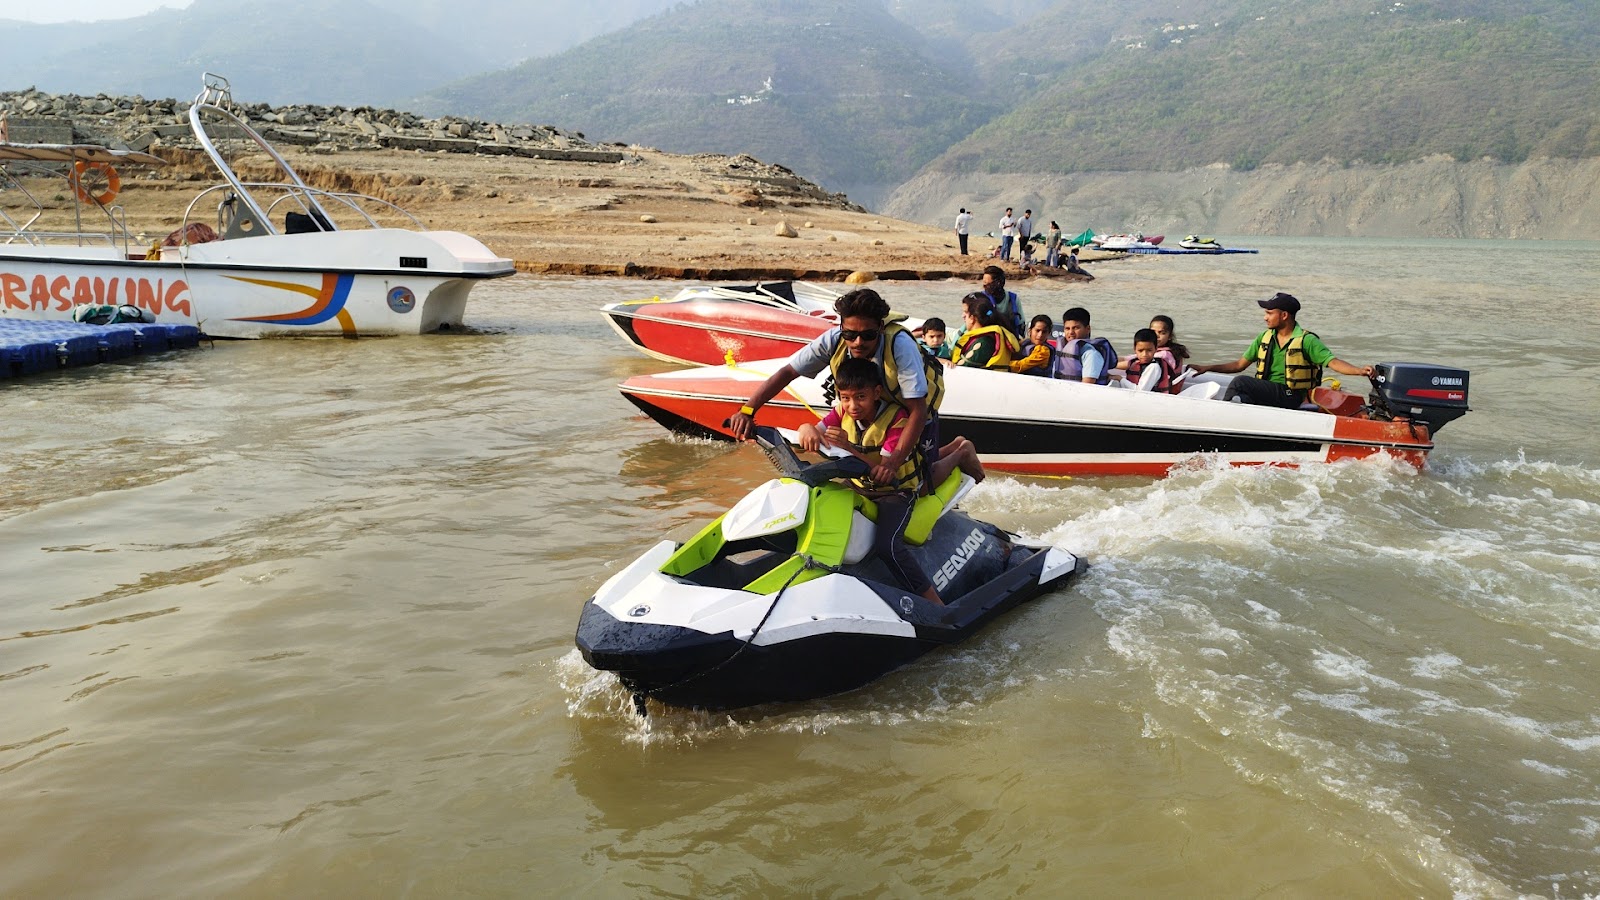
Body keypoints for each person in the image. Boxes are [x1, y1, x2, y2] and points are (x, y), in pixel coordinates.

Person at [729, 288, 939, 480]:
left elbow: (917, 410)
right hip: (870, 410)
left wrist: (892, 464)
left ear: (881, 328)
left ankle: (960, 452)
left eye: (867, 335)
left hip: (912, 413)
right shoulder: (833, 339)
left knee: (920, 478)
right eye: (850, 334)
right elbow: (788, 372)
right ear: (841, 328)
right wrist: (747, 411)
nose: (858, 342)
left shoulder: (900, 346)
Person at [795, 356, 944, 605]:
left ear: (876, 393)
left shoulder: (897, 420)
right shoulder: (842, 411)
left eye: (860, 397)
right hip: (858, 487)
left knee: (888, 547)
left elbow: (884, 472)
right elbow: (815, 430)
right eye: (845, 397)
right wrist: (805, 428)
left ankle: (936, 604)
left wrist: (846, 447)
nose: (852, 406)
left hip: (893, 492)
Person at [1191, 292, 1374, 407]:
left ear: (1284, 315)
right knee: (1244, 397)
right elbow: (1239, 364)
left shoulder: (1306, 340)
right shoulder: (1265, 337)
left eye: (1269, 313)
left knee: (1240, 383)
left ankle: (1223, 418)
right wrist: (1208, 367)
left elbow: (1333, 362)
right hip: (1271, 392)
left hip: (1291, 395)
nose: (1265, 318)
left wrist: (1359, 371)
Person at [952, 292, 1021, 369]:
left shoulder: (984, 343)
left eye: (965, 312)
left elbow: (960, 368)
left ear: (972, 318)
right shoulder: (991, 336)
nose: (962, 316)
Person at [1054, 307, 1117, 384]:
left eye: (1076, 328)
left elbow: (1086, 387)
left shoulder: (1091, 354)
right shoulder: (1061, 348)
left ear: (1088, 329)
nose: (1071, 332)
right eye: (1067, 328)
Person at [1116, 327, 1183, 393]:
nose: (1145, 354)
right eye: (1140, 350)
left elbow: (1140, 392)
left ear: (1156, 348)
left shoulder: (1154, 367)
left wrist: (1119, 378)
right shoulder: (1135, 362)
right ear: (1134, 349)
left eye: (1149, 350)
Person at [980, 265, 1026, 337]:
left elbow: (1021, 325)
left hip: (1011, 338)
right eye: (984, 284)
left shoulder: (1013, 299)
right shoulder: (981, 299)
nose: (984, 287)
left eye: (988, 284)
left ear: (998, 283)